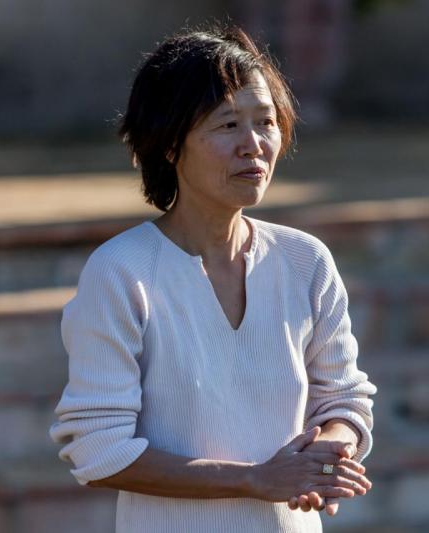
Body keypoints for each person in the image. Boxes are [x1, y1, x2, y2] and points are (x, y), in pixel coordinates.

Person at [49, 25, 377, 533]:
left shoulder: (305, 261)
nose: (254, 145)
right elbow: (99, 449)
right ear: (169, 143)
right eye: (227, 125)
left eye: (266, 122)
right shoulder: (122, 272)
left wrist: (331, 447)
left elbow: (344, 398)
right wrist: (253, 479)